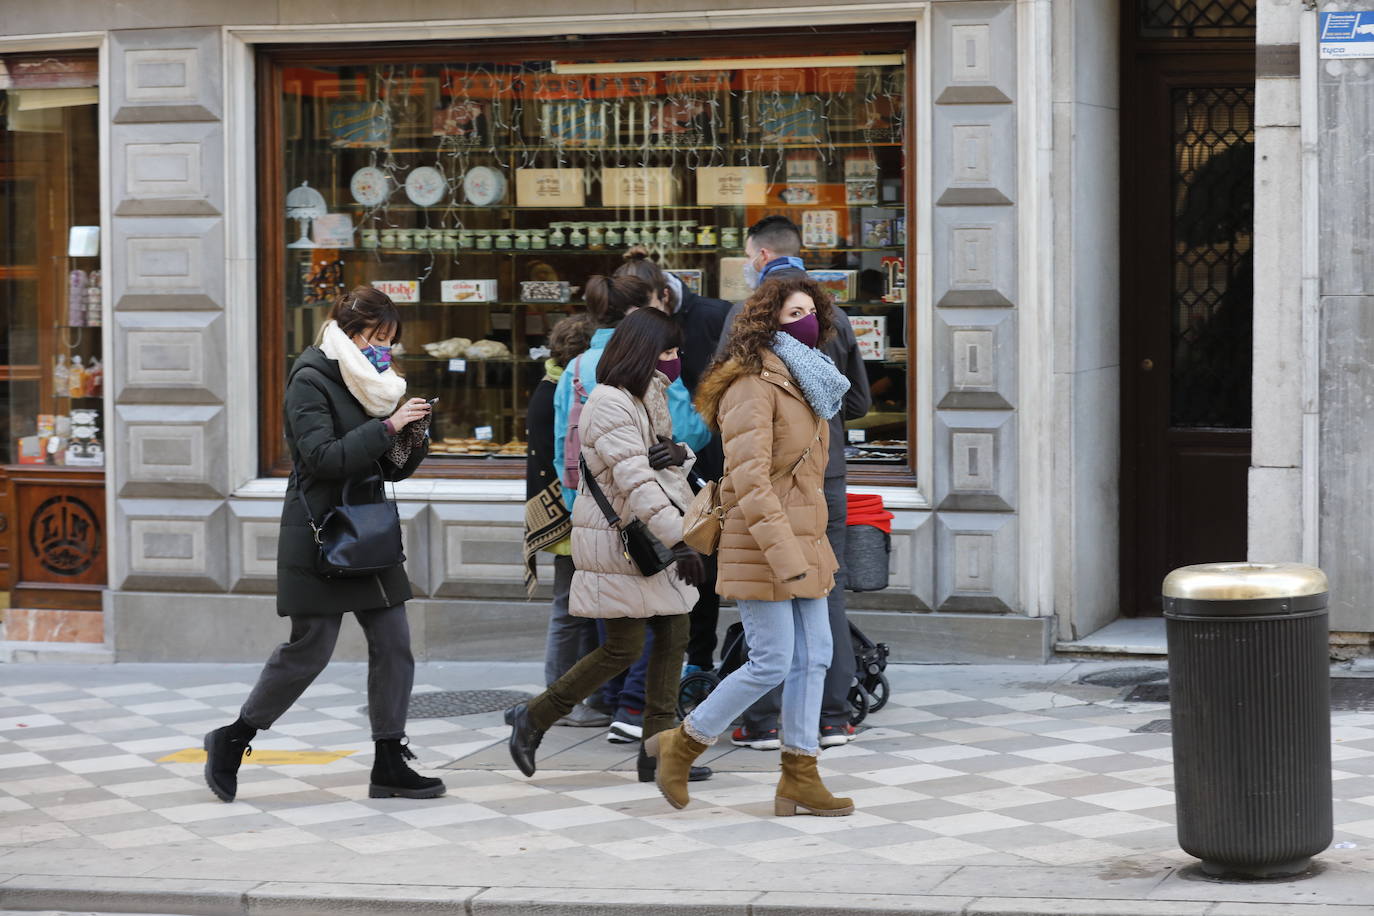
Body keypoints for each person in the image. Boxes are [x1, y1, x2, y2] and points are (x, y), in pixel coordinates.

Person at [203, 287, 443, 803]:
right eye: (377, 339)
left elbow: (384, 466)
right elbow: (321, 458)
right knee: (309, 650)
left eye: (390, 342)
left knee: (394, 644)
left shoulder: (371, 385)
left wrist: (412, 435)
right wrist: (387, 426)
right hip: (322, 533)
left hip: (368, 531)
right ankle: (232, 739)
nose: (385, 351)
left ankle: (388, 760)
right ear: (350, 332)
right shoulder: (310, 378)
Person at [647, 274, 854, 817]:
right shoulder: (750, 384)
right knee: (771, 661)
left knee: (817, 658)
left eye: (810, 312)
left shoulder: (810, 379)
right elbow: (750, 481)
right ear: (766, 321)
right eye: (791, 315)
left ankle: (800, 776)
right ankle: (683, 743)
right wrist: (785, 553)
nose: (804, 322)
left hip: (805, 536)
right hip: (760, 541)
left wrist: (804, 544)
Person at [506, 308, 712, 784]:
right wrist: (681, 541)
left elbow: (661, 464)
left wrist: (685, 453)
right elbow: (635, 480)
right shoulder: (612, 403)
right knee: (623, 645)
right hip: (625, 536)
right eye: (670, 351)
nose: (676, 359)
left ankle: (657, 752)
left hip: (646, 531)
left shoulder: (645, 395)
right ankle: (533, 718)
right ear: (644, 352)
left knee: (673, 631)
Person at [717, 215, 873, 750]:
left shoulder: (744, 317)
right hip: (823, 478)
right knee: (823, 589)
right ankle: (832, 717)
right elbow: (858, 402)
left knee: (770, 587)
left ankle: (764, 722)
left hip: (766, 477)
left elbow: (721, 392)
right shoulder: (834, 315)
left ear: (758, 256)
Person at [552, 274, 711, 744]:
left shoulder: (576, 369)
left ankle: (625, 713)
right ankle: (629, 711)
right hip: (642, 518)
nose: (676, 361)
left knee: (619, 624)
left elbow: (563, 439)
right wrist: (681, 538)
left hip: (589, 510)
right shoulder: (641, 380)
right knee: (647, 624)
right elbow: (680, 440)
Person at [615, 247, 730, 675]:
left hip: (709, 464)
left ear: (665, 294)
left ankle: (697, 662)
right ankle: (646, 678)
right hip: (650, 466)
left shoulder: (715, 316)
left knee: (702, 566)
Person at [524, 313, 607, 728]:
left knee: (579, 609)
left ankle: (575, 694)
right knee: (569, 610)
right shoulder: (563, 389)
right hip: (568, 515)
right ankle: (558, 699)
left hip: (567, 512)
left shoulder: (551, 385)